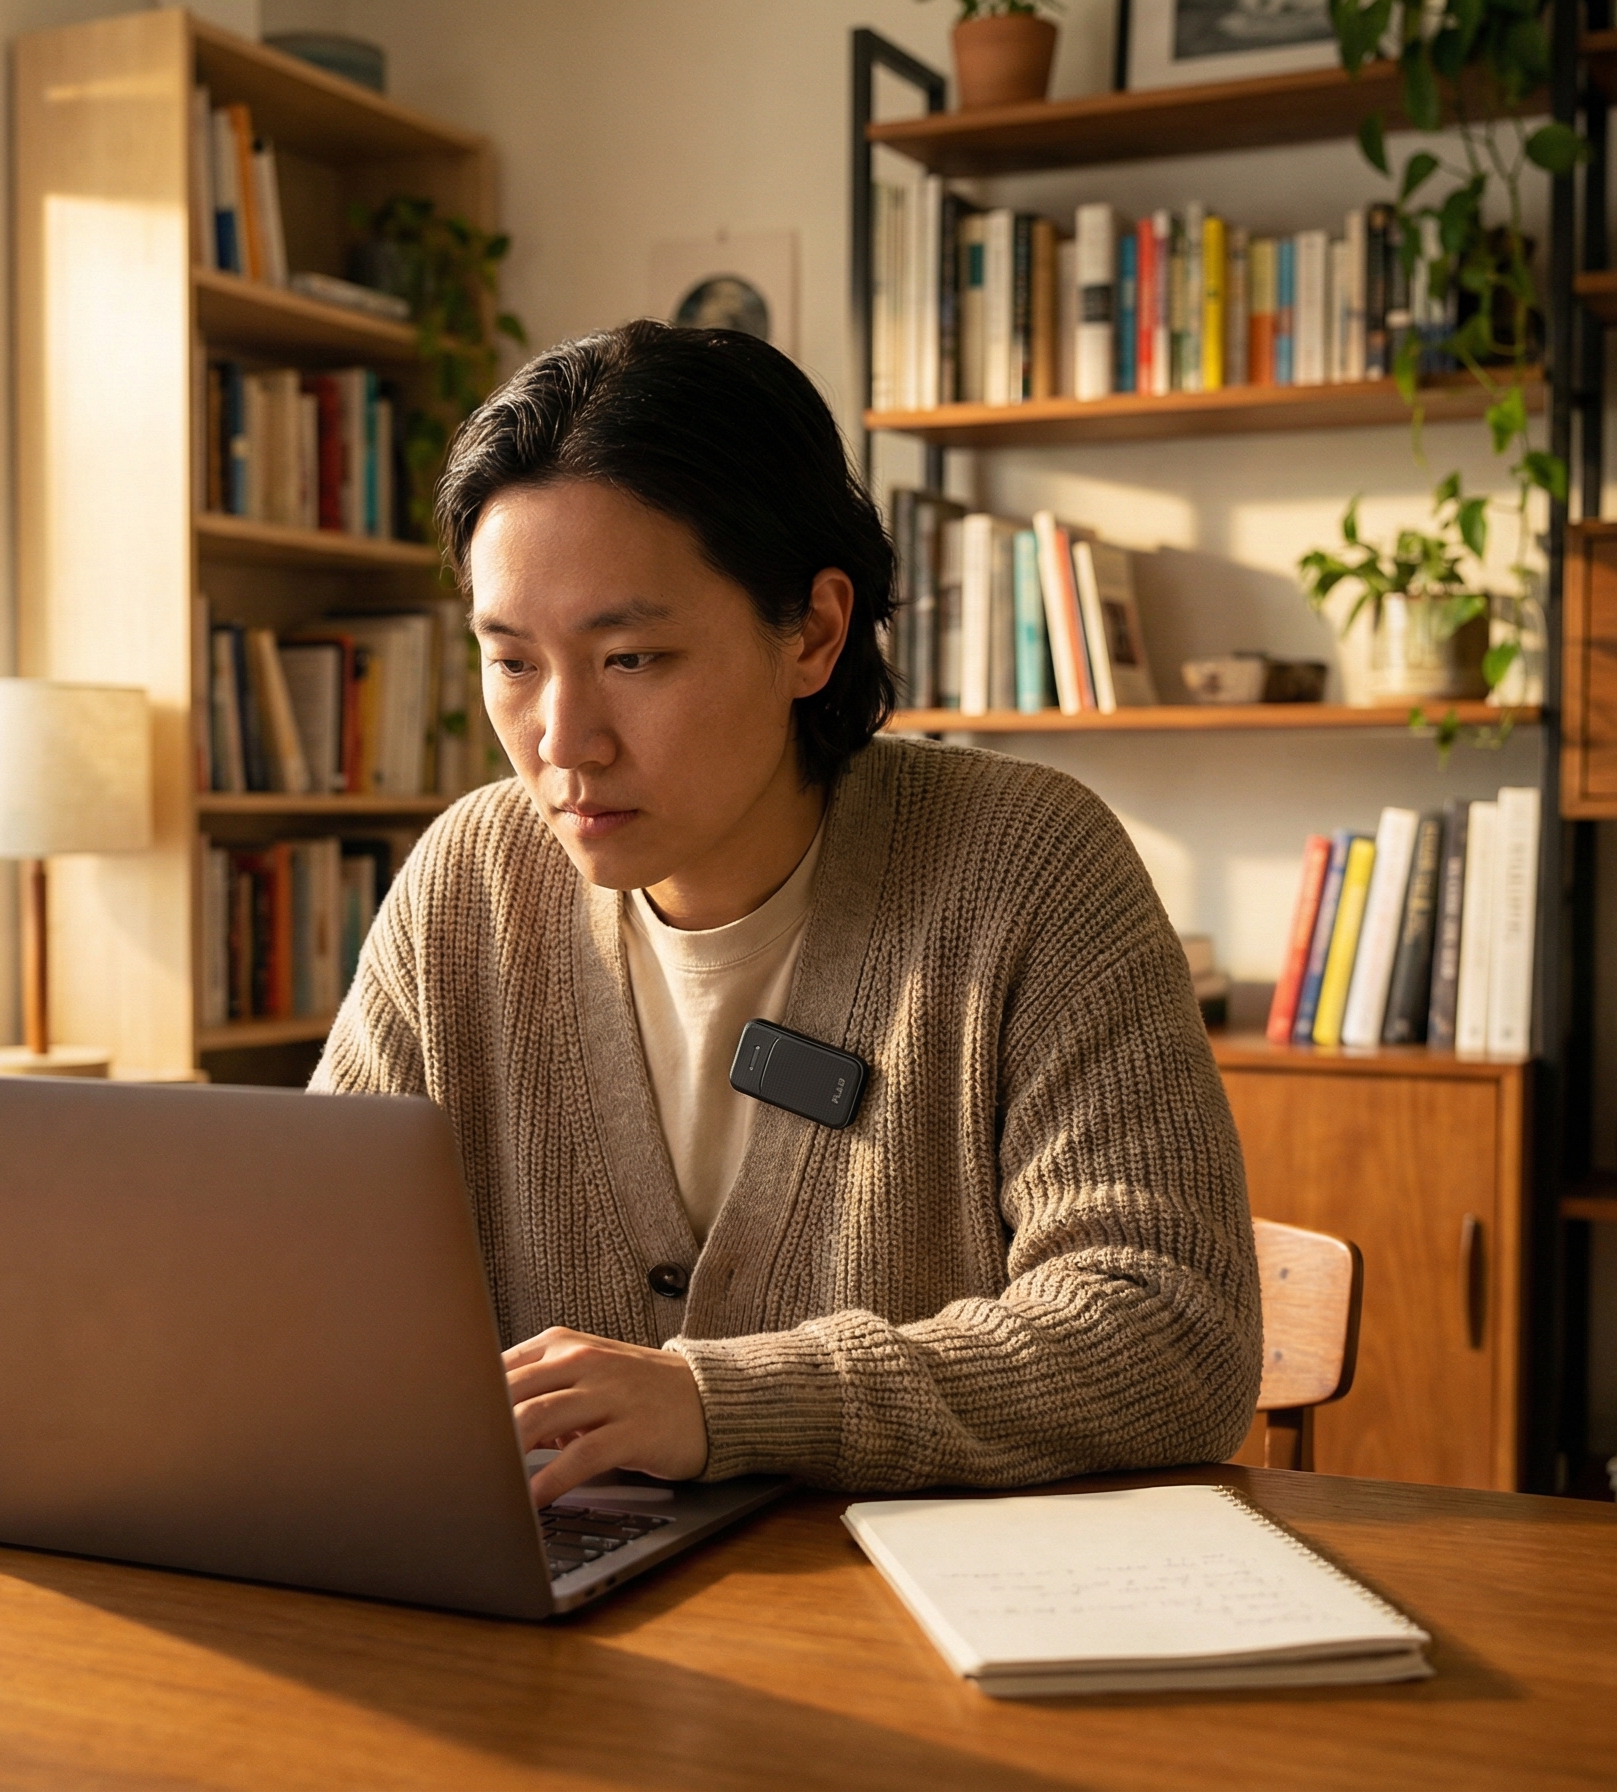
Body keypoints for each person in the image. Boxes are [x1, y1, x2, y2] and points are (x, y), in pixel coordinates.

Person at [313, 320, 1260, 1509]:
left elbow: (1172, 1331)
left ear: (811, 631)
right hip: (554, 1621)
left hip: (917, 1639)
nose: (562, 742)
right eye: (512, 663)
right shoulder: (469, 883)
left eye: (633, 658)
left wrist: (720, 1402)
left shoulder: (1025, 866)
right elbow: (314, 1290)